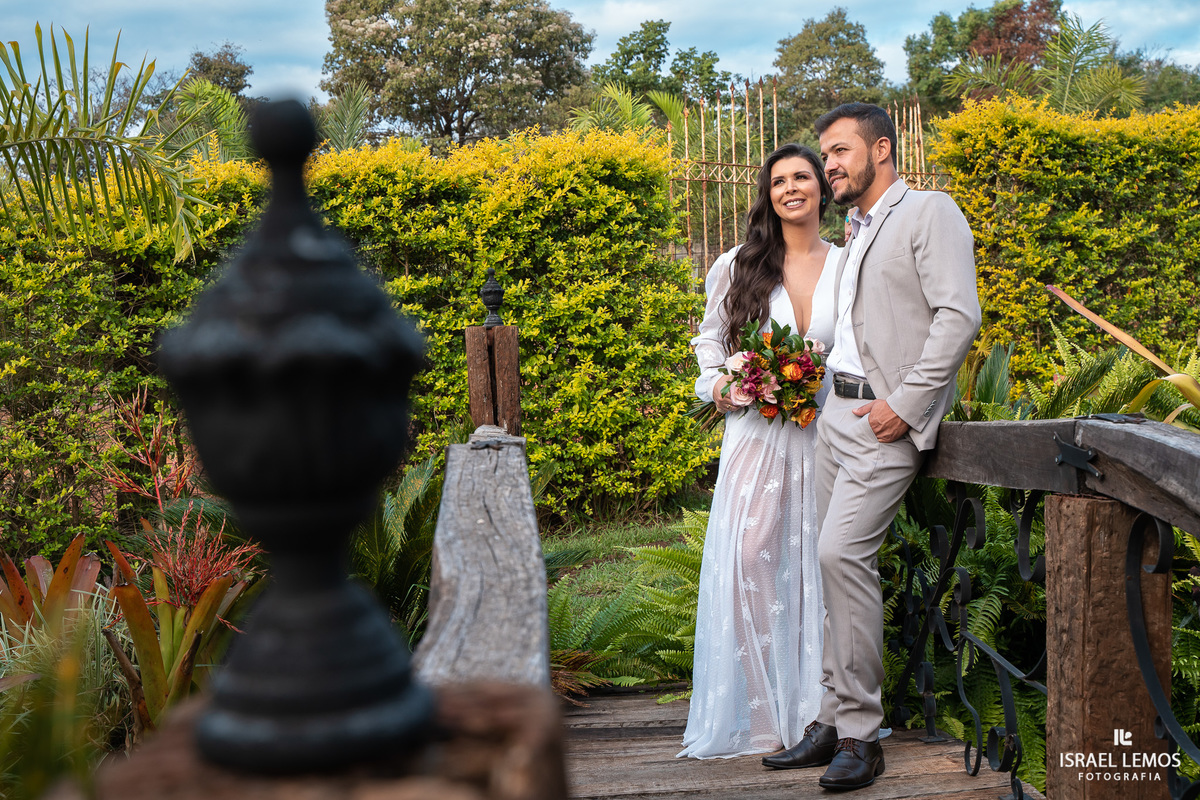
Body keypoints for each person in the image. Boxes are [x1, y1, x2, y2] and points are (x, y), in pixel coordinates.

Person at [760, 103, 980, 790]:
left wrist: (907, 406)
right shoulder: (855, 230)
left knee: (839, 553)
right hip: (835, 418)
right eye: (825, 154)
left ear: (881, 149)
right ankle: (830, 720)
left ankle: (861, 732)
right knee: (834, 571)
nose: (829, 165)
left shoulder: (930, 212)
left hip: (883, 422)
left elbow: (958, 314)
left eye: (840, 150)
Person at [679, 143, 840, 759]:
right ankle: (764, 711)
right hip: (755, 434)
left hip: (825, 435)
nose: (791, 188)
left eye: (802, 177)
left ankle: (820, 713)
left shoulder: (849, 264)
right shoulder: (737, 264)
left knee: (822, 569)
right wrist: (722, 383)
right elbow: (709, 342)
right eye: (779, 181)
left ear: (823, 189)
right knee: (751, 560)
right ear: (768, 194)